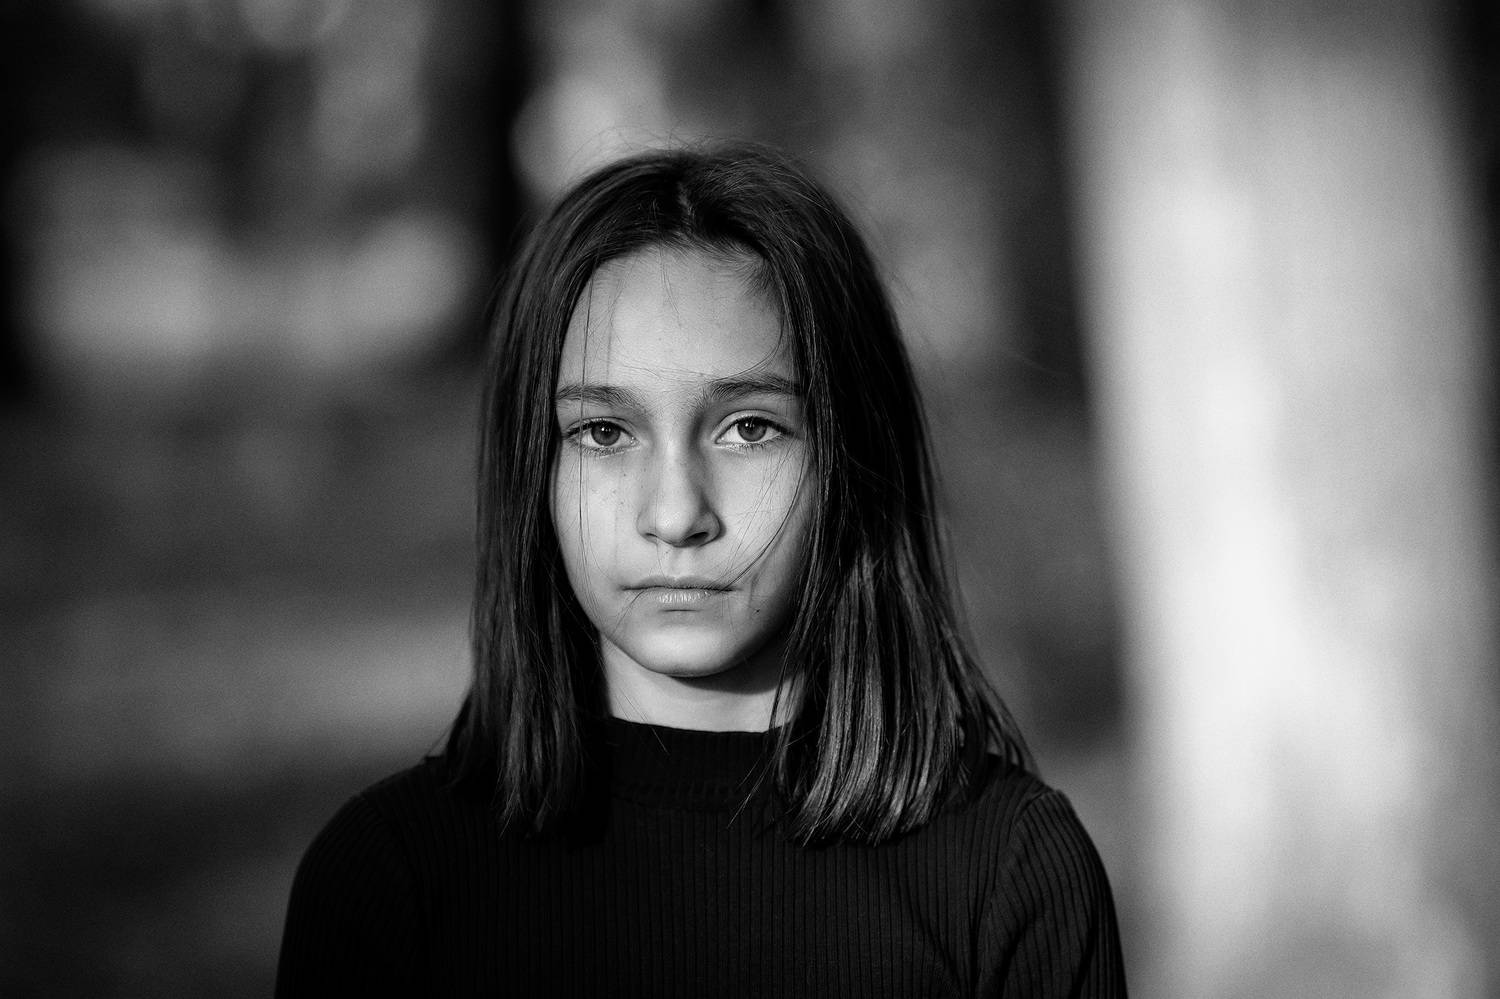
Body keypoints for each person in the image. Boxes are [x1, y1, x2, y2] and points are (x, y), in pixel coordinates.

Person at [276, 143, 1127, 997]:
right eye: (604, 433)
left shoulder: (1008, 876)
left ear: (850, 459)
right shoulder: (390, 883)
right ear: (532, 471)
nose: (677, 515)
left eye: (750, 428)